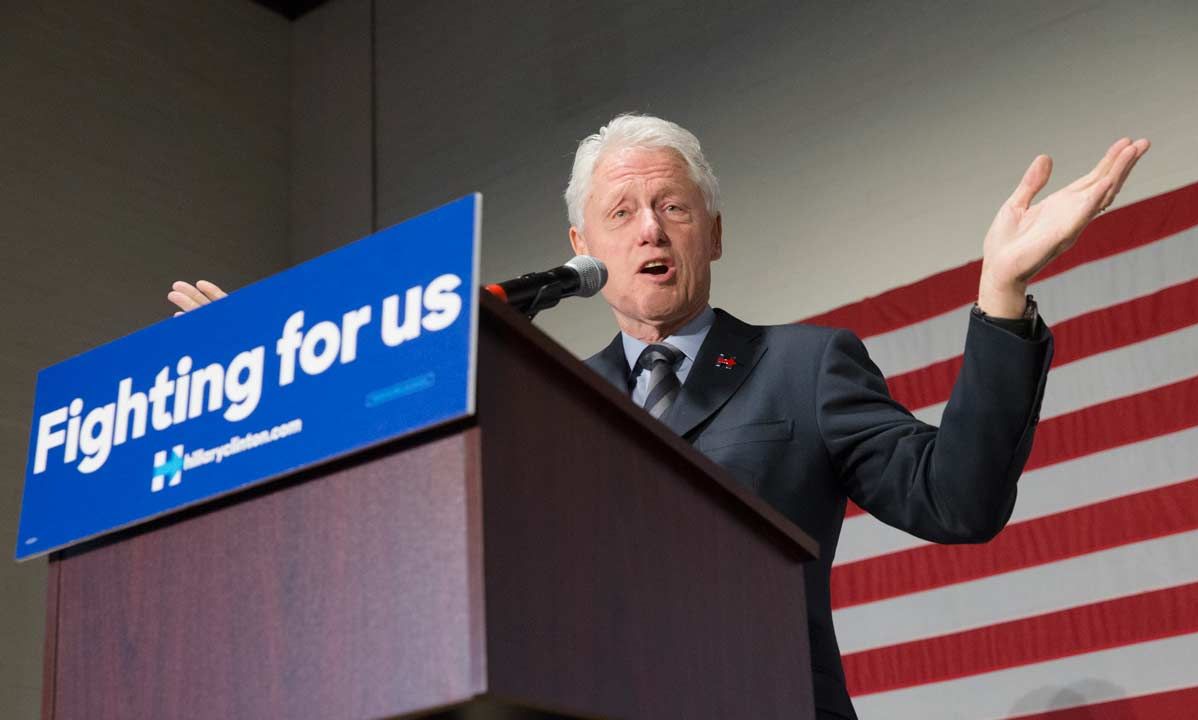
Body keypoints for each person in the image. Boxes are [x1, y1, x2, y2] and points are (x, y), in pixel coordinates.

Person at [170, 114, 1148, 719]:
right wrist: (282, 389)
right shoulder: (540, 400)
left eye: (673, 207)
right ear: (579, 245)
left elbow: (958, 499)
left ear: (711, 231)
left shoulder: (802, 367)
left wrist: (999, 295)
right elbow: (424, 562)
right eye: (623, 210)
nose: (648, 228)